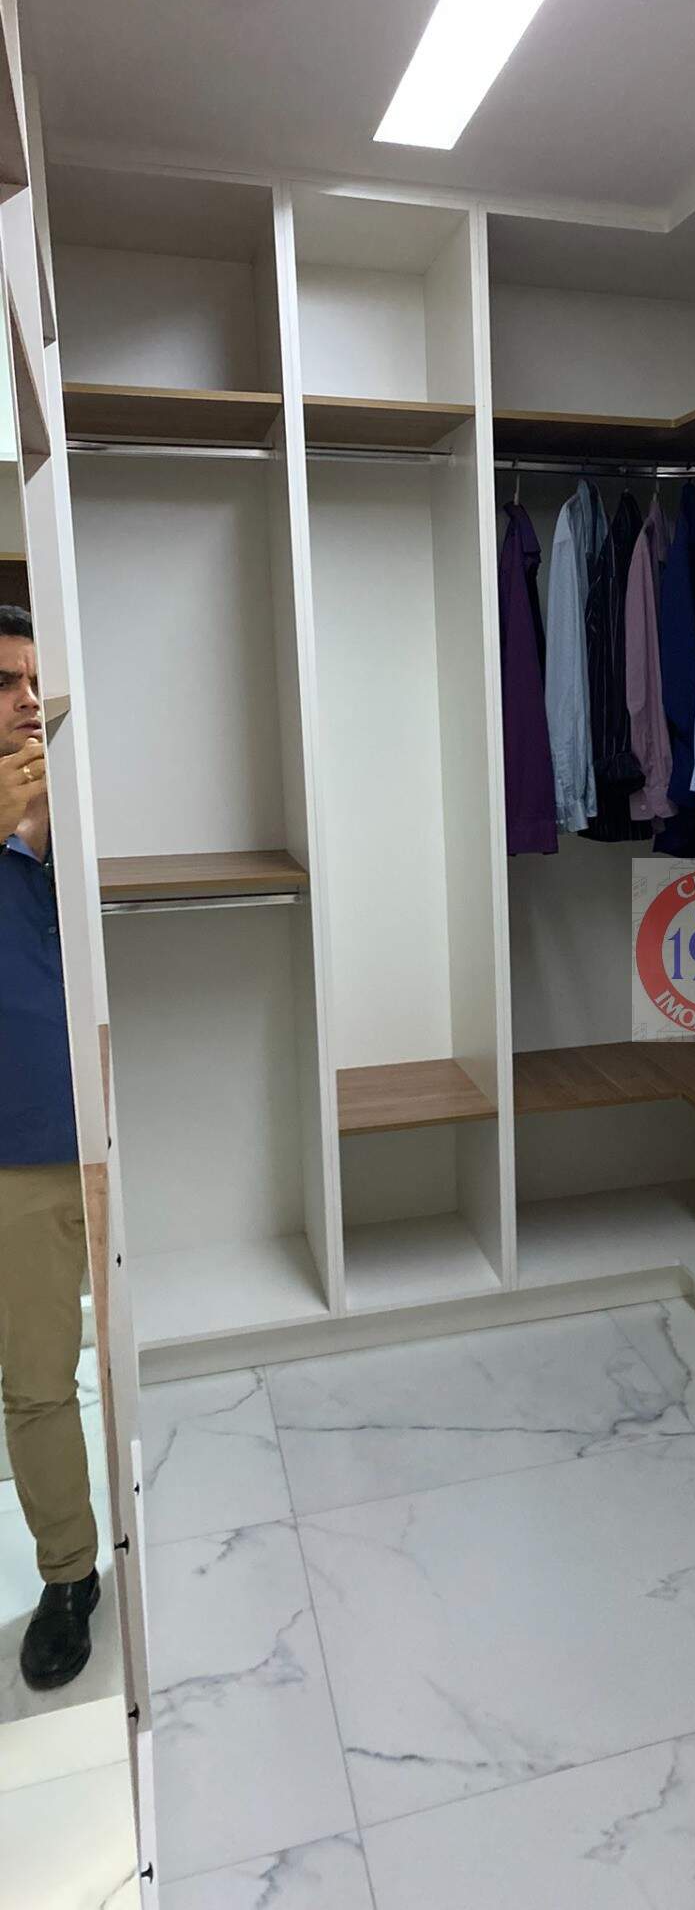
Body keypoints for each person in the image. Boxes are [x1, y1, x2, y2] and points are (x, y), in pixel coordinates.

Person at [0, 604, 100, 1690]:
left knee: (121, 1357)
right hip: (17, 1146)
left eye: (36, 679)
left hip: (104, 1125)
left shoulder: (77, 794)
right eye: (5, 681)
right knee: (34, 1380)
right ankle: (69, 1574)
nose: (29, 698)